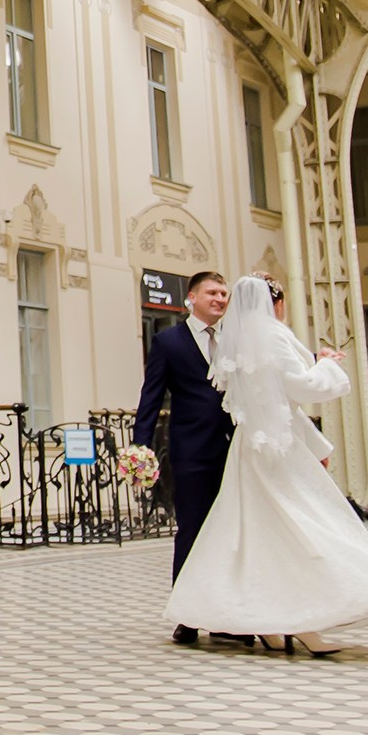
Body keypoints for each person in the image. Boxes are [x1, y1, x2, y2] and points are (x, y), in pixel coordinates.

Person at [164, 272, 368, 655]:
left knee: (256, 534)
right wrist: (326, 366)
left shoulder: (236, 342)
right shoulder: (273, 335)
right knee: (315, 522)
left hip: (249, 448)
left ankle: (272, 624)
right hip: (279, 448)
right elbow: (301, 388)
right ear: (276, 303)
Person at [132, 270, 237, 646]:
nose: (220, 299)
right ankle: (188, 615)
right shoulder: (168, 341)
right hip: (191, 450)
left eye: (224, 293)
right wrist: (140, 447)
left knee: (231, 532)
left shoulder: (236, 340)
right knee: (192, 531)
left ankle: (226, 617)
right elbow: (151, 396)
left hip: (236, 449)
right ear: (192, 298)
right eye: (212, 292)